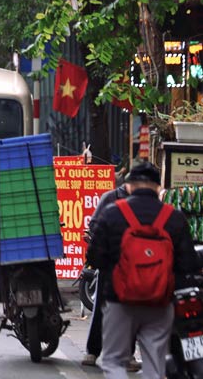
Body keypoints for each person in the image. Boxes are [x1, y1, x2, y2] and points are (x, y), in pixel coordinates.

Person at [87, 161, 198, 379]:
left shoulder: (112, 214)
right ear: (158, 188)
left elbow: (94, 258)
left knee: (113, 361)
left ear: (128, 187)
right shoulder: (174, 217)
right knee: (154, 365)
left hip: (119, 301)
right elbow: (189, 263)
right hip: (160, 302)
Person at [82, 174, 138, 370]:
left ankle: (127, 356)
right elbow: (94, 226)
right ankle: (92, 351)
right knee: (101, 309)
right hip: (110, 265)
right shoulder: (109, 198)